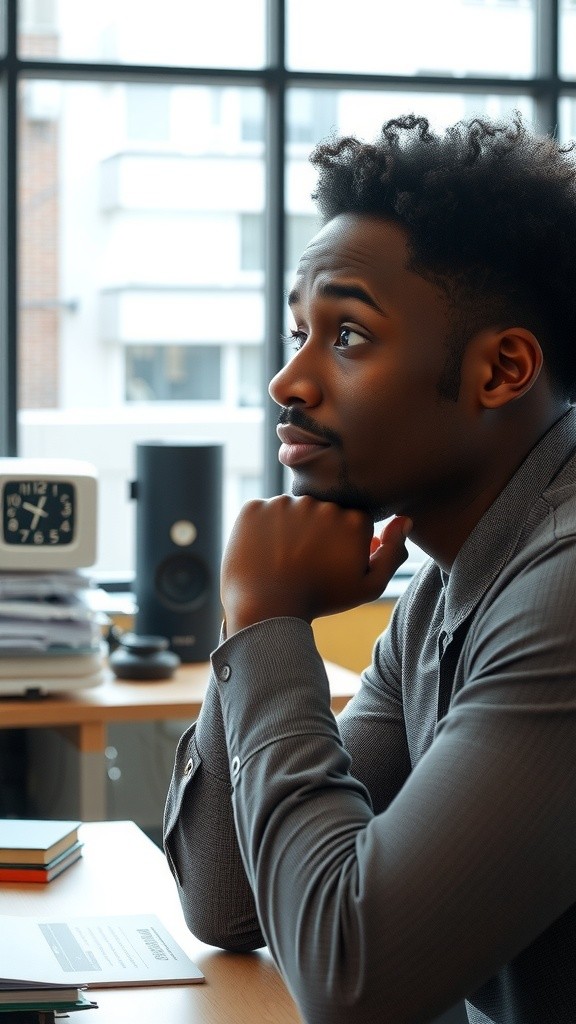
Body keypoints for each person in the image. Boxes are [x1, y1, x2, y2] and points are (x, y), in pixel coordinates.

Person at [163, 113, 576, 1024]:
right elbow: (229, 904)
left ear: (501, 368)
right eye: (298, 332)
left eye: (346, 336)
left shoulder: (563, 593)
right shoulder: (447, 584)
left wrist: (268, 619)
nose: (288, 382)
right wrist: (252, 625)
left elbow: (357, 979)